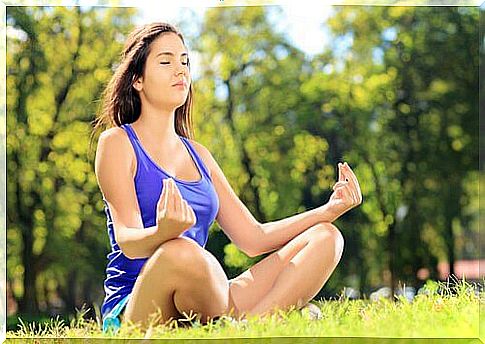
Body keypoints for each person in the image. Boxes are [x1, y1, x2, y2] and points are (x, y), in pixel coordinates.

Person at [92, 22, 362, 333]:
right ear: (137, 79)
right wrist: (163, 232)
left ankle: (247, 330)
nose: (180, 70)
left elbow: (253, 239)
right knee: (180, 251)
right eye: (165, 61)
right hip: (140, 305)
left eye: (185, 61)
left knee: (326, 237)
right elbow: (128, 242)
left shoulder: (199, 155)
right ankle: (251, 322)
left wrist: (328, 211)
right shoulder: (117, 143)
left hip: (206, 296)